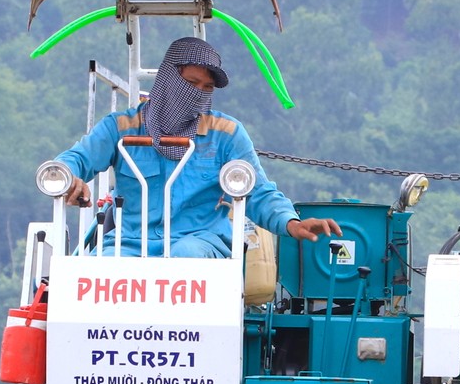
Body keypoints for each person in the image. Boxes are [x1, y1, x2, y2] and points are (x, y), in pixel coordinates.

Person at [55, 36, 339, 256]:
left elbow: (259, 193)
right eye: (191, 82)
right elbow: (77, 158)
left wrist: (292, 223)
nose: (197, 93)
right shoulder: (120, 128)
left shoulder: (226, 134)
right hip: (132, 243)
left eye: (206, 88)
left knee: (184, 254)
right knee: (99, 265)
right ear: (167, 79)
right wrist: (69, 179)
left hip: (200, 242)